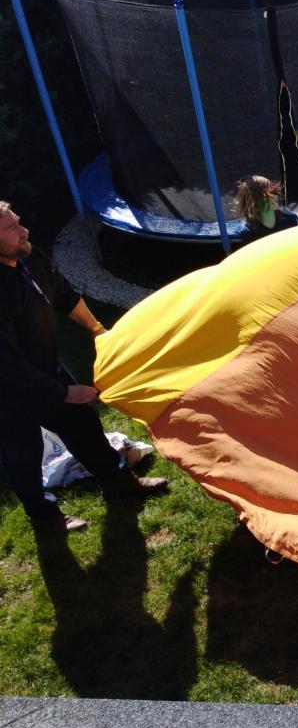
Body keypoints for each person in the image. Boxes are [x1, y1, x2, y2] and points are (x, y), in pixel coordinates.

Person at [0, 201, 167, 534]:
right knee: (24, 454)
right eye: (12, 228)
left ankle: (116, 481)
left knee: (83, 424)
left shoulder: (28, 255)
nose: (24, 231)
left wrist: (97, 329)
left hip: (45, 366)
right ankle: (45, 518)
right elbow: (7, 364)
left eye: (19, 222)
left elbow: (63, 294)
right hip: (9, 389)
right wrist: (62, 392)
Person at [233, 175, 298, 247]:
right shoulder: (249, 234)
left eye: (274, 192)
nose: (274, 197)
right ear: (252, 202)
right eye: (268, 194)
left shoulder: (290, 221)